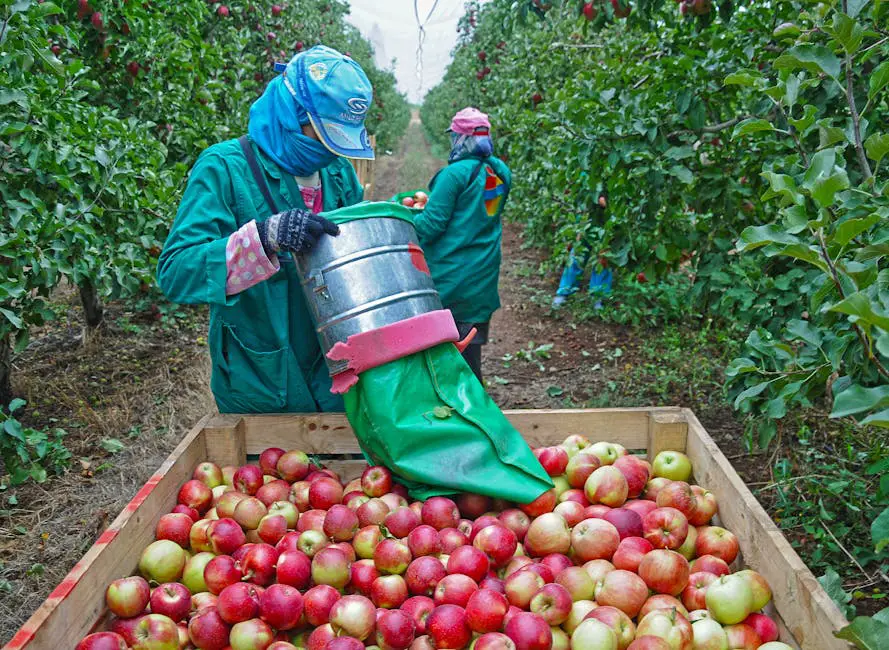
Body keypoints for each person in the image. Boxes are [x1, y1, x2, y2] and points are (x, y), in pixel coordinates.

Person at [157, 46, 373, 414]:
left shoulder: (338, 174)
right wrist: (263, 239)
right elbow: (175, 272)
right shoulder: (224, 168)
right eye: (322, 132)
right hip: (261, 377)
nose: (327, 148)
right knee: (267, 472)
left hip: (334, 375)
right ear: (291, 111)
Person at [413, 108, 511, 384]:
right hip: (482, 277)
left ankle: (461, 414)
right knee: (469, 354)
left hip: (451, 278)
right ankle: (473, 409)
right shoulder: (499, 172)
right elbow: (480, 214)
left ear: (461, 138)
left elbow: (431, 226)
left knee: (446, 359)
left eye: (455, 136)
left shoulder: (454, 175)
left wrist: (407, 217)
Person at [551, 192, 612, 308]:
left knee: (603, 258)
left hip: (607, 219)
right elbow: (584, 188)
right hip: (587, 217)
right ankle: (564, 292)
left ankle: (598, 297)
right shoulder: (587, 175)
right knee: (577, 253)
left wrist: (608, 202)